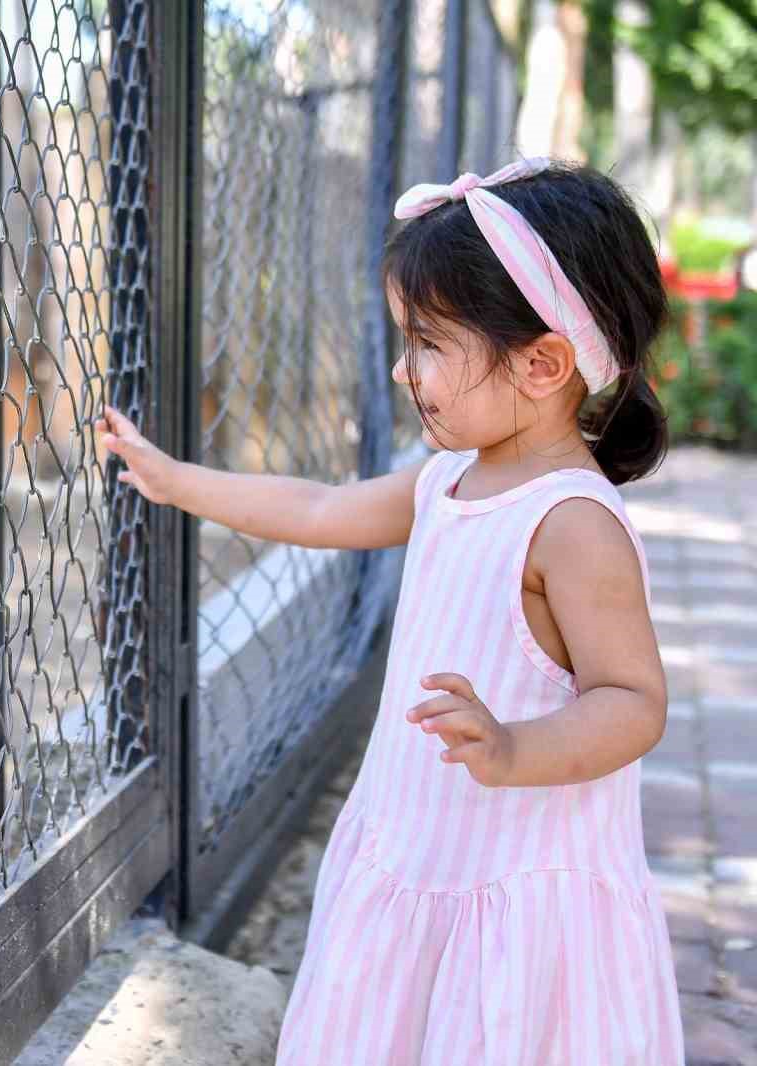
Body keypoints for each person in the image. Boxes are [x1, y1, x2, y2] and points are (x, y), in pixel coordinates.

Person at [97, 158, 682, 1064]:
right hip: (413, 846)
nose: (405, 372)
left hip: (513, 891)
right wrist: (178, 483)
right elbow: (321, 510)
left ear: (542, 363)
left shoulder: (571, 524)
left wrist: (516, 745)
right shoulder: (450, 477)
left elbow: (633, 700)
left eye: (428, 344)